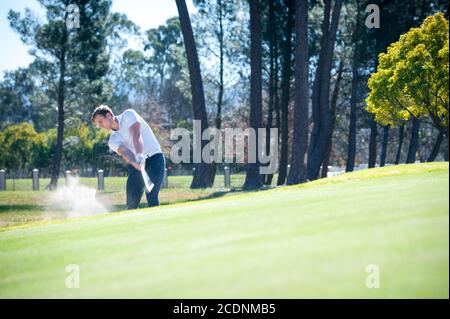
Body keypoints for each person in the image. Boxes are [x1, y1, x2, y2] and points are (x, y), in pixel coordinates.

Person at [91, 105, 165, 209]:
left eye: (100, 121)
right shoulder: (113, 141)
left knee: (152, 196)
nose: (100, 126)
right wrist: (136, 162)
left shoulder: (128, 115)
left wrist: (139, 154)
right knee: (131, 203)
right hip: (136, 166)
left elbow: (136, 134)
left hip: (155, 158)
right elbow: (125, 152)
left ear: (108, 115)